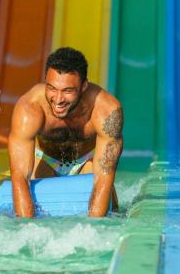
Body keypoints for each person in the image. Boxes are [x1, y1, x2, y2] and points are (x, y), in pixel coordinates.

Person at [7, 47, 123, 218]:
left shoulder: (107, 111)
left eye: (67, 91)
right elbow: (20, 177)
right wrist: (26, 229)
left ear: (84, 86)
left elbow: (102, 179)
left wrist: (95, 232)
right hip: (46, 161)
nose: (58, 99)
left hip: (87, 161)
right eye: (52, 88)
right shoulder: (29, 109)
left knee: (112, 209)